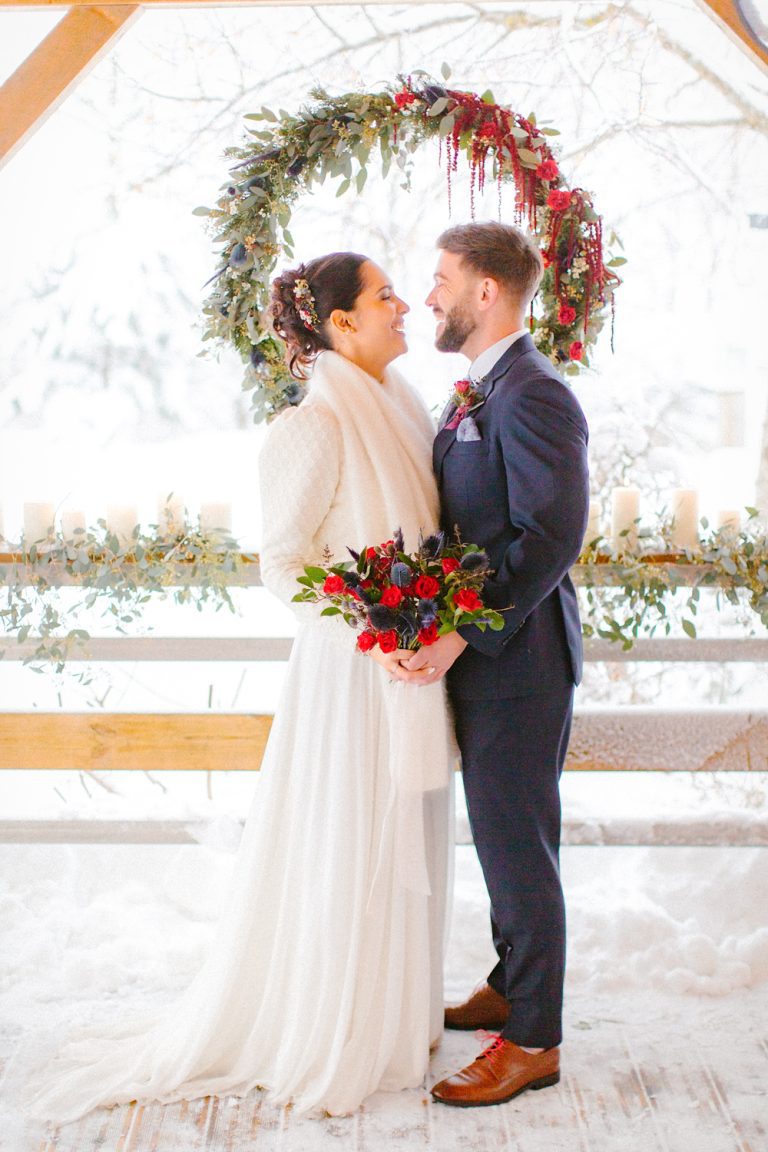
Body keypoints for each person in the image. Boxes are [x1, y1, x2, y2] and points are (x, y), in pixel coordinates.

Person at [18, 253, 454, 1122]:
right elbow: (283, 565)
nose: (403, 304)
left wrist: (426, 628)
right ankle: (333, 1024)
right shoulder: (314, 426)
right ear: (338, 324)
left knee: (408, 834)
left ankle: (393, 1018)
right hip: (352, 673)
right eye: (383, 295)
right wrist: (377, 631)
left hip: (409, 669)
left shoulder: (404, 410)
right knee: (352, 842)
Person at [396, 222, 589, 1107]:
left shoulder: (534, 394)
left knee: (519, 850)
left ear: (486, 293)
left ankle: (535, 1039)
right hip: (491, 658)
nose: (428, 294)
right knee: (502, 836)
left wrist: (461, 633)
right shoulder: (482, 386)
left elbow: (549, 537)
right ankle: (512, 985)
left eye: (441, 279)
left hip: (521, 661)